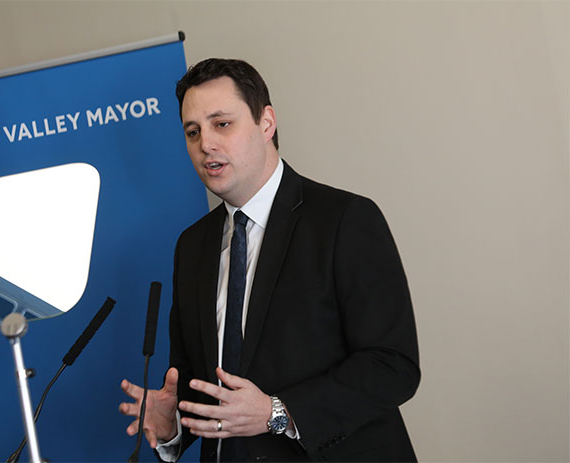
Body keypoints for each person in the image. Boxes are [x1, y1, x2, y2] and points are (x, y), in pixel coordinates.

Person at [120, 58, 420, 462]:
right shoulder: (191, 247)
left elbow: (392, 365)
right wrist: (174, 426)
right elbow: (198, 384)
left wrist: (278, 413)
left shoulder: (344, 219)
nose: (205, 143)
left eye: (221, 124)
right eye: (193, 131)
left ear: (266, 123)